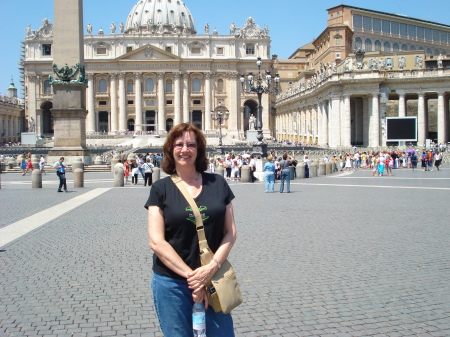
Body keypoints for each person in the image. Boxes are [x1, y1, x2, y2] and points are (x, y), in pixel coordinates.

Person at [145, 123, 236, 336]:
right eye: (179, 144)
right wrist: (195, 279)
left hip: (214, 278)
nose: (184, 149)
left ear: (199, 149)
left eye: (191, 144)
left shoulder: (218, 183)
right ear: (170, 149)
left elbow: (230, 233)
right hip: (172, 283)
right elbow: (156, 242)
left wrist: (210, 269)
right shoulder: (160, 188)